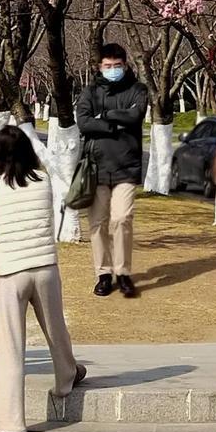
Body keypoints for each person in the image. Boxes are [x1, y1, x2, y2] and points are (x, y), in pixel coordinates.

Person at [0, 125, 87, 432]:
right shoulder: (44, 181)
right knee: (56, 329)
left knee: (10, 346)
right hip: (45, 267)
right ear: (27, 151)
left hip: (11, 274)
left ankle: (12, 420)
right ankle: (67, 377)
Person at [74, 42, 148, 298]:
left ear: (125, 65)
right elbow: (83, 123)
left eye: (117, 65)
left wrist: (105, 116)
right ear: (99, 67)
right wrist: (113, 123)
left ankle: (123, 271)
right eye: (108, 66)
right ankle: (103, 273)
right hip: (96, 169)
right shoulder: (90, 92)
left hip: (126, 167)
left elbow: (135, 116)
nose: (113, 69)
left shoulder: (137, 90)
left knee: (121, 218)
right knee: (97, 223)